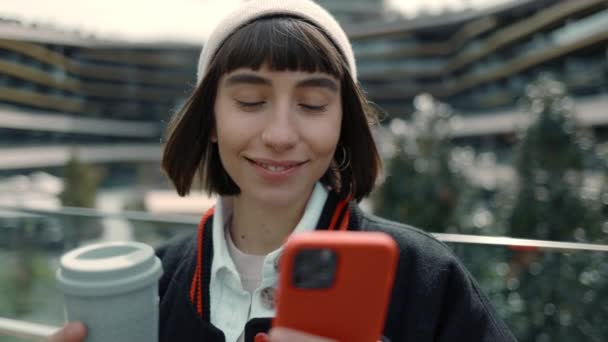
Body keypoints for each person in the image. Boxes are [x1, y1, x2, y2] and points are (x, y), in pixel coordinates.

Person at [50, 0, 517, 341]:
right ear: (209, 119)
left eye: (312, 104)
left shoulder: (424, 277)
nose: (279, 134)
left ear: (342, 122)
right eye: (250, 101)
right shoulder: (158, 281)